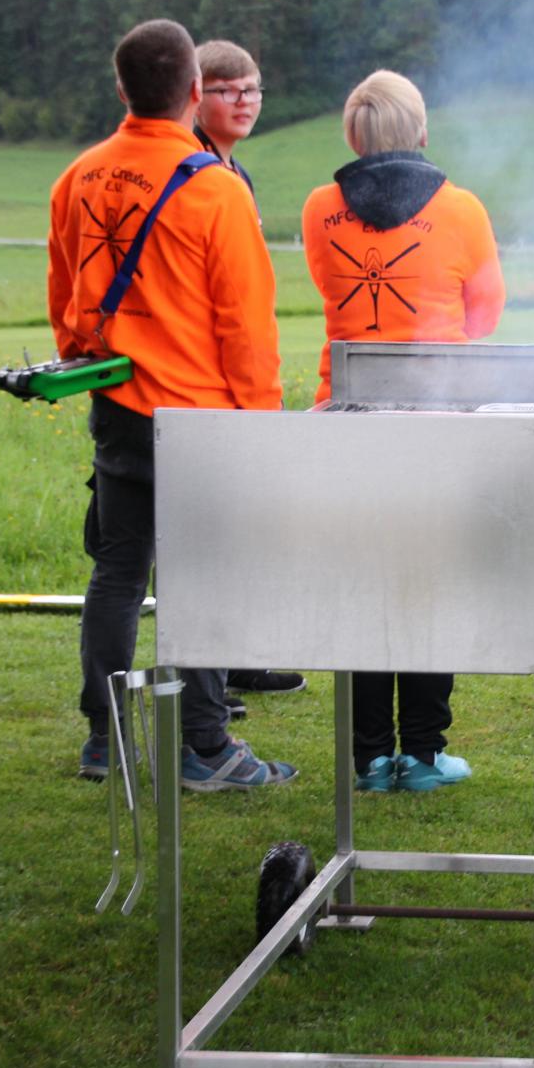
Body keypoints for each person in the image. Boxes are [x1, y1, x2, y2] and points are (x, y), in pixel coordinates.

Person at [49, 18, 296, 791]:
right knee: (205, 577)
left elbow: (65, 298)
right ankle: (205, 748)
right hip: (202, 417)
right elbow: (246, 326)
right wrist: (261, 425)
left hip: (119, 405)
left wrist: (89, 355)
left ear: (121, 88)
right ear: (193, 90)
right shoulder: (216, 189)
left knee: (118, 572)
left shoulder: (79, 175)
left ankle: (105, 739)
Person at [300, 69, 505, 792]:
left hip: (345, 418)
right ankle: (422, 754)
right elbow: (486, 313)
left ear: (353, 135)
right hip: (434, 422)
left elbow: (328, 289)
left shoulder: (318, 208)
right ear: (421, 131)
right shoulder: (462, 209)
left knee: (362, 587)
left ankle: (367, 757)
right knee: (428, 585)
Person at [191, 36, 308, 704]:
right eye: (227, 90)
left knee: (242, 528)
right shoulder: (195, 172)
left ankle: (237, 660)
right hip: (207, 379)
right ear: (195, 96)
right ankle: (205, 685)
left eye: (253, 89)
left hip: (242, 370)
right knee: (212, 534)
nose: (244, 101)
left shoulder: (237, 173)